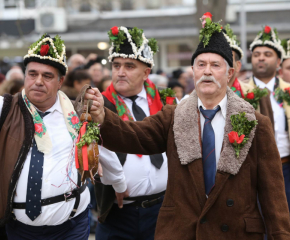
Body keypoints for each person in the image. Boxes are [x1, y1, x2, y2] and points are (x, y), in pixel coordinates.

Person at [85, 15, 290, 240]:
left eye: (215, 65)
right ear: (193, 71)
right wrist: (103, 116)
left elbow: (274, 195)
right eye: (201, 64)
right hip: (183, 231)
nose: (207, 71)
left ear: (230, 73)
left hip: (236, 232)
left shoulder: (256, 123)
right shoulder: (174, 115)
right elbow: (135, 136)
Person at [0, 34, 126, 240]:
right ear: (25, 77)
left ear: (60, 82)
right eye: (32, 74)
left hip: (71, 227)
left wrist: (119, 184)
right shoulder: (5, 109)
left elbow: (102, 150)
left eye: (47, 76)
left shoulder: (77, 114)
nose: (38, 81)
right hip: (19, 229)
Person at [94, 26, 168, 240]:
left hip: (161, 211)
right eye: (116, 65)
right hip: (117, 215)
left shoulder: (166, 102)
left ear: (146, 72)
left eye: (129, 66)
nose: (120, 72)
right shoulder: (100, 105)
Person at [239, 26, 290, 210]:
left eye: (267, 54)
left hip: (285, 168)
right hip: (252, 170)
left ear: (278, 63)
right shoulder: (238, 93)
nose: (260, 58)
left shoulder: (288, 91)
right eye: (256, 54)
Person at [222, 24, 243, 97]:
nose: (222, 63)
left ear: (238, 66)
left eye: (228, 58)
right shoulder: (198, 96)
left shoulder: (251, 92)